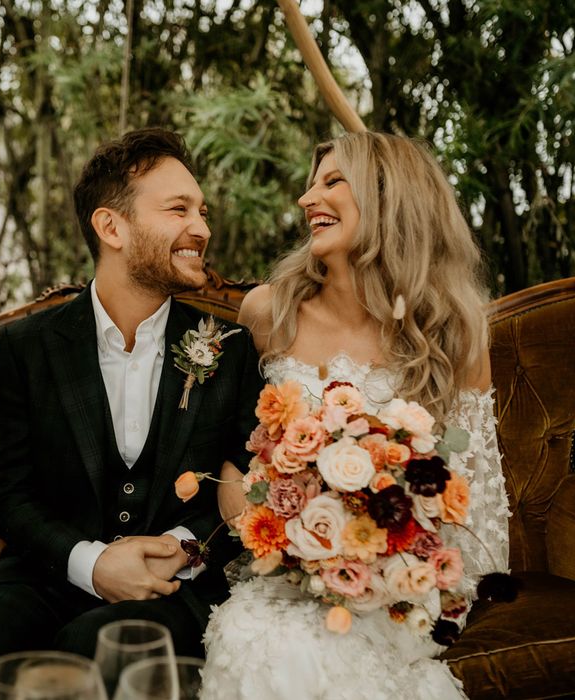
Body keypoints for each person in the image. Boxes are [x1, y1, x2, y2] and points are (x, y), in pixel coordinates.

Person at [201, 131, 511, 700]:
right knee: (277, 652)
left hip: (401, 586)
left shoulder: (455, 334)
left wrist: (392, 566)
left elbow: (478, 506)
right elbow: (226, 448)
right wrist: (250, 501)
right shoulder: (268, 314)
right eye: (310, 184)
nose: (306, 199)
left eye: (332, 181)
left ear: (389, 198)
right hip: (281, 578)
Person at [0, 127, 263, 697]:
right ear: (111, 227)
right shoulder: (28, 345)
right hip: (45, 572)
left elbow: (241, 497)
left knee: (102, 650)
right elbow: (7, 496)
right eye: (179, 209)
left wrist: (177, 551)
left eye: (202, 211)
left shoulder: (231, 348)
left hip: (174, 588)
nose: (202, 228)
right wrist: (92, 564)